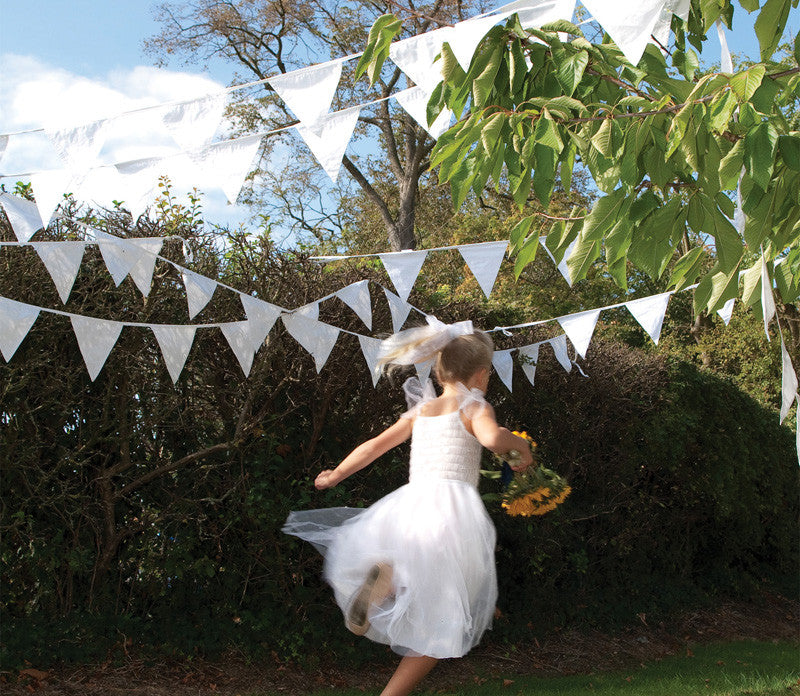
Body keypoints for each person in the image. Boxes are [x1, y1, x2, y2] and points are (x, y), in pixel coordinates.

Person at [283, 317, 533, 696]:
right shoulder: (474, 405)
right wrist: (521, 446)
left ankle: (388, 581)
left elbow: (374, 446)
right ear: (481, 374)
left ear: (440, 368)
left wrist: (335, 474)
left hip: (412, 505)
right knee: (443, 618)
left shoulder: (424, 410)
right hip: (453, 514)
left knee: (422, 588)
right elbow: (491, 439)